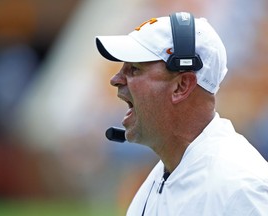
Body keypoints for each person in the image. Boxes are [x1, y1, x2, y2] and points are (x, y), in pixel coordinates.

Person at [95, 12, 268, 216]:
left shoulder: (241, 189)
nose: (115, 79)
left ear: (181, 86)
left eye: (134, 69)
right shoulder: (162, 176)